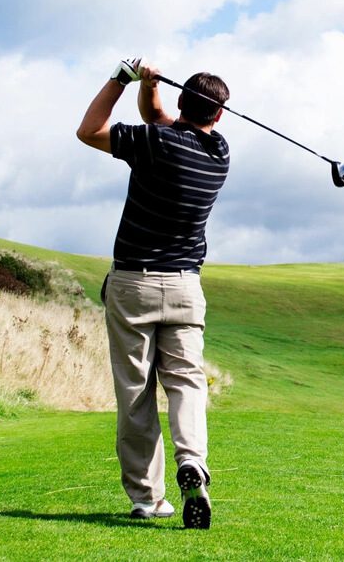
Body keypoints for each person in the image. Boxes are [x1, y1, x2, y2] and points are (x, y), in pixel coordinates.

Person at [76, 58, 230, 529]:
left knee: (136, 392)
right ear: (218, 116)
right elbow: (161, 120)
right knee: (186, 382)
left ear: (181, 101)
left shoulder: (152, 143)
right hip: (185, 286)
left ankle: (147, 497)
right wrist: (151, 89)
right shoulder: (218, 152)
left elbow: (89, 130)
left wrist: (124, 78)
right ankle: (192, 462)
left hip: (134, 284)